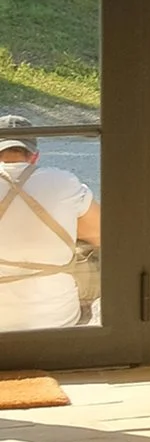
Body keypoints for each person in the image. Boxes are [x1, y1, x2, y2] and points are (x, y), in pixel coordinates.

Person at [0, 116, 100, 331]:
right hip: (57, 322)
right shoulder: (64, 182)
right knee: (92, 252)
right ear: (34, 156)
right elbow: (102, 234)